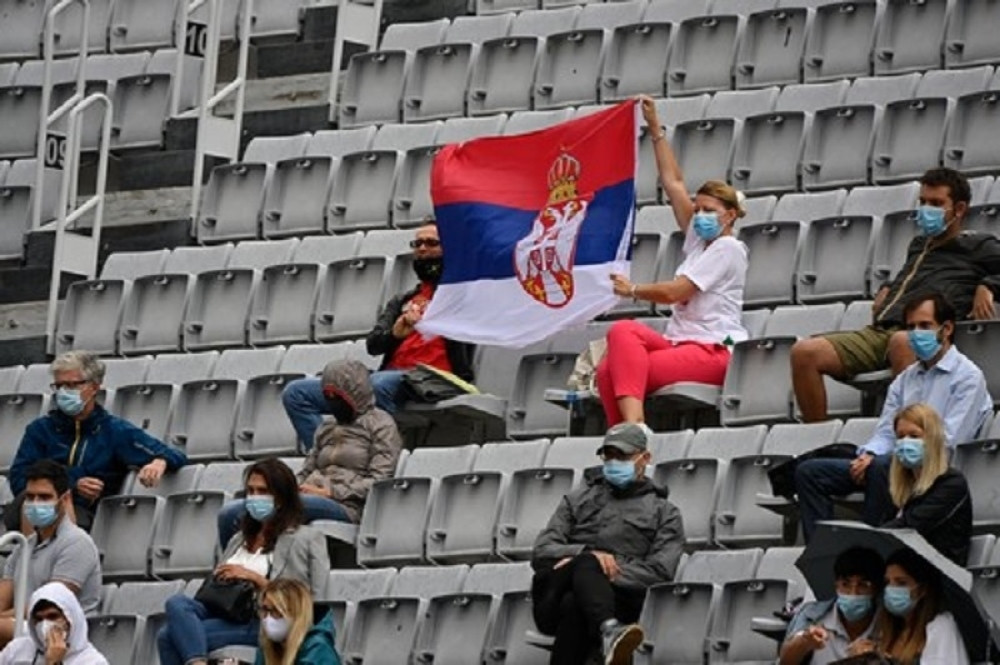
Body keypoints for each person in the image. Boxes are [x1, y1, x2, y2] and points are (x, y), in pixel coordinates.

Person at [792, 167, 1000, 423]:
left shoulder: (979, 246)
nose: (926, 209)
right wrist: (888, 288)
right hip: (881, 330)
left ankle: (912, 432)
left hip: (923, 333)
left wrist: (988, 285)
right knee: (805, 352)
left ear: (959, 209)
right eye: (923, 202)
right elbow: (916, 277)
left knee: (903, 341)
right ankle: (819, 435)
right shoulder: (919, 245)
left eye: (936, 204)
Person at [597, 96, 748, 426]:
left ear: (730, 216)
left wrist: (633, 290)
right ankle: (630, 434)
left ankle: (631, 432)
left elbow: (675, 293)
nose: (700, 215)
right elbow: (674, 183)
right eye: (698, 209)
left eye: (710, 211)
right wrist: (655, 128)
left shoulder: (728, 248)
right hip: (679, 343)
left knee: (616, 371)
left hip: (714, 349)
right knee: (621, 335)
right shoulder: (698, 241)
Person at [794, 291, 991, 542]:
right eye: (911, 327)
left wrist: (886, 459)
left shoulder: (968, 378)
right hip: (894, 463)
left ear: (947, 328)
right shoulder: (905, 379)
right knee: (809, 472)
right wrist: (869, 455)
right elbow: (887, 430)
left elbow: (950, 440)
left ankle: (870, 548)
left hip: (934, 471)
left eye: (925, 326)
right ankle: (821, 551)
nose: (916, 334)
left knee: (883, 466)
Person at [281, 221, 475, 448]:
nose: (422, 249)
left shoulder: (462, 296)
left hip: (435, 378)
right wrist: (395, 333)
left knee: (380, 384)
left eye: (432, 243)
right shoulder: (403, 300)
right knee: (296, 393)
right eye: (418, 244)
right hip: (392, 376)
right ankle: (327, 456)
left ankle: (377, 454)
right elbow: (373, 345)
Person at [531, 423, 685, 665]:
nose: (613, 462)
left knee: (576, 604)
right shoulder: (576, 500)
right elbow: (542, 550)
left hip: (621, 601)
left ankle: (608, 630)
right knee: (586, 563)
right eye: (608, 455)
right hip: (552, 600)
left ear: (645, 458)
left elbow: (660, 571)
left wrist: (601, 571)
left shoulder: (665, 512)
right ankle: (610, 631)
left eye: (622, 456)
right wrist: (588, 558)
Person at [157, 459, 329, 665]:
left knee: (168, 636)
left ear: (281, 497)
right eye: (251, 491)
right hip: (227, 610)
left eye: (262, 491)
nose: (255, 497)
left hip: (263, 619)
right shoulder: (238, 538)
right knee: (176, 603)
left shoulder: (307, 538)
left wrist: (253, 578)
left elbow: (313, 601)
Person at [217, 359, 402, 546]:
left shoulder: (381, 424)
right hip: (309, 495)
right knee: (229, 513)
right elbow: (307, 469)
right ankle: (235, 562)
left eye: (337, 396)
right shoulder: (327, 426)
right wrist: (292, 488)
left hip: (346, 505)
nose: (333, 401)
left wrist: (331, 492)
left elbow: (379, 481)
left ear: (354, 394)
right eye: (327, 396)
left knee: (278, 508)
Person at [7, 351, 188, 532]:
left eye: (72, 385)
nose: (64, 392)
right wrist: (73, 483)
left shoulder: (115, 431)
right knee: (32, 502)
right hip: (31, 510)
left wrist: (160, 461)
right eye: (59, 386)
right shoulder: (40, 429)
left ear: (94, 387)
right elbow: (18, 478)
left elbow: (174, 455)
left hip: (82, 514)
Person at [0, 461, 101, 647]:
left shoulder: (77, 542)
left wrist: (2, 618)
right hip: (25, 628)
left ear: (64, 499)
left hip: (62, 632)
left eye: (44, 497)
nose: (36, 504)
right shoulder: (22, 547)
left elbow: (48, 605)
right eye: (30, 497)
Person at [883, 403, 972, 566]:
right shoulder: (898, 487)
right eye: (900, 437)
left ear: (932, 440)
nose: (905, 442)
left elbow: (910, 527)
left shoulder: (951, 483)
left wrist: (870, 537)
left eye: (914, 436)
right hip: (903, 566)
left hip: (939, 572)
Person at [780, 546, 884, 665]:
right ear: (836, 586)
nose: (853, 593)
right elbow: (785, 662)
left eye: (863, 585)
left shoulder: (888, 625)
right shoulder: (812, 617)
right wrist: (804, 642)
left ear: (876, 589)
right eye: (845, 584)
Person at [868, 548, 969, 664]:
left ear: (922, 589)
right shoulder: (886, 630)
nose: (891, 589)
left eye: (901, 583)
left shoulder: (941, 626)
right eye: (887, 582)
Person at [0, 581, 107, 665]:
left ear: (70, 618)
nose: (44, 624)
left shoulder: (93, 661)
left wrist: (53, 662)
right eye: (39, 619)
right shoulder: (17, 649)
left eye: (52, 616)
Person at [255, 578, 339, 665]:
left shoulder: (319, 653)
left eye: (276, 611)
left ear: (296, 613)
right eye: (265, 610)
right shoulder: (267, 647)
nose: (268, 617)